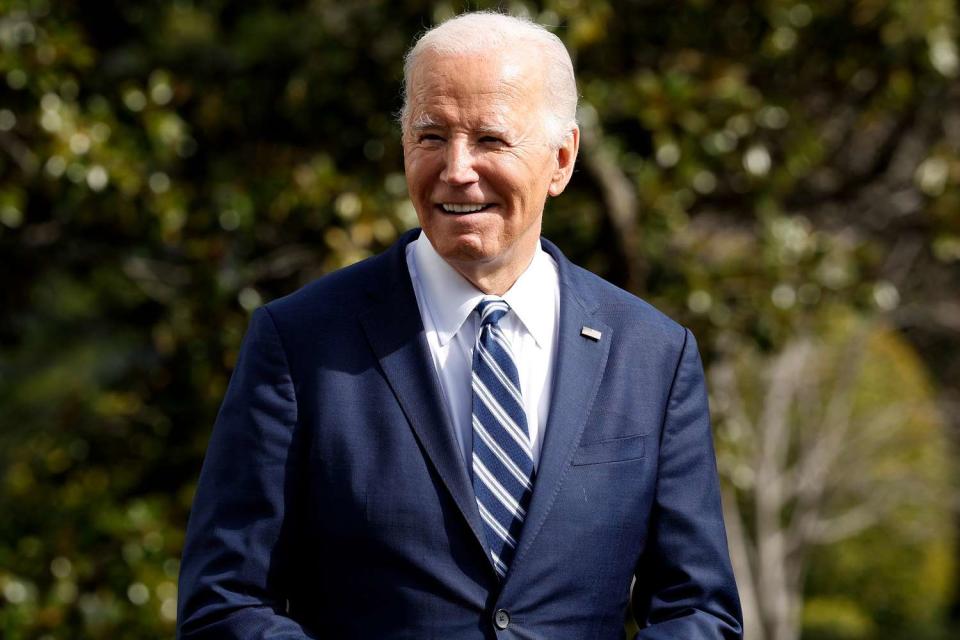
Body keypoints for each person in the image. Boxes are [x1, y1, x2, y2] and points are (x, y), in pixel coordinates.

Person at [177, 11, 742, 639]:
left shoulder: (652, 354)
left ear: (561, 159)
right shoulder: (301, 342)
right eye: (431, 136)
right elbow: (224, 604)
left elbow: (698, 610)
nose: (457, 169)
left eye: (491, 140)